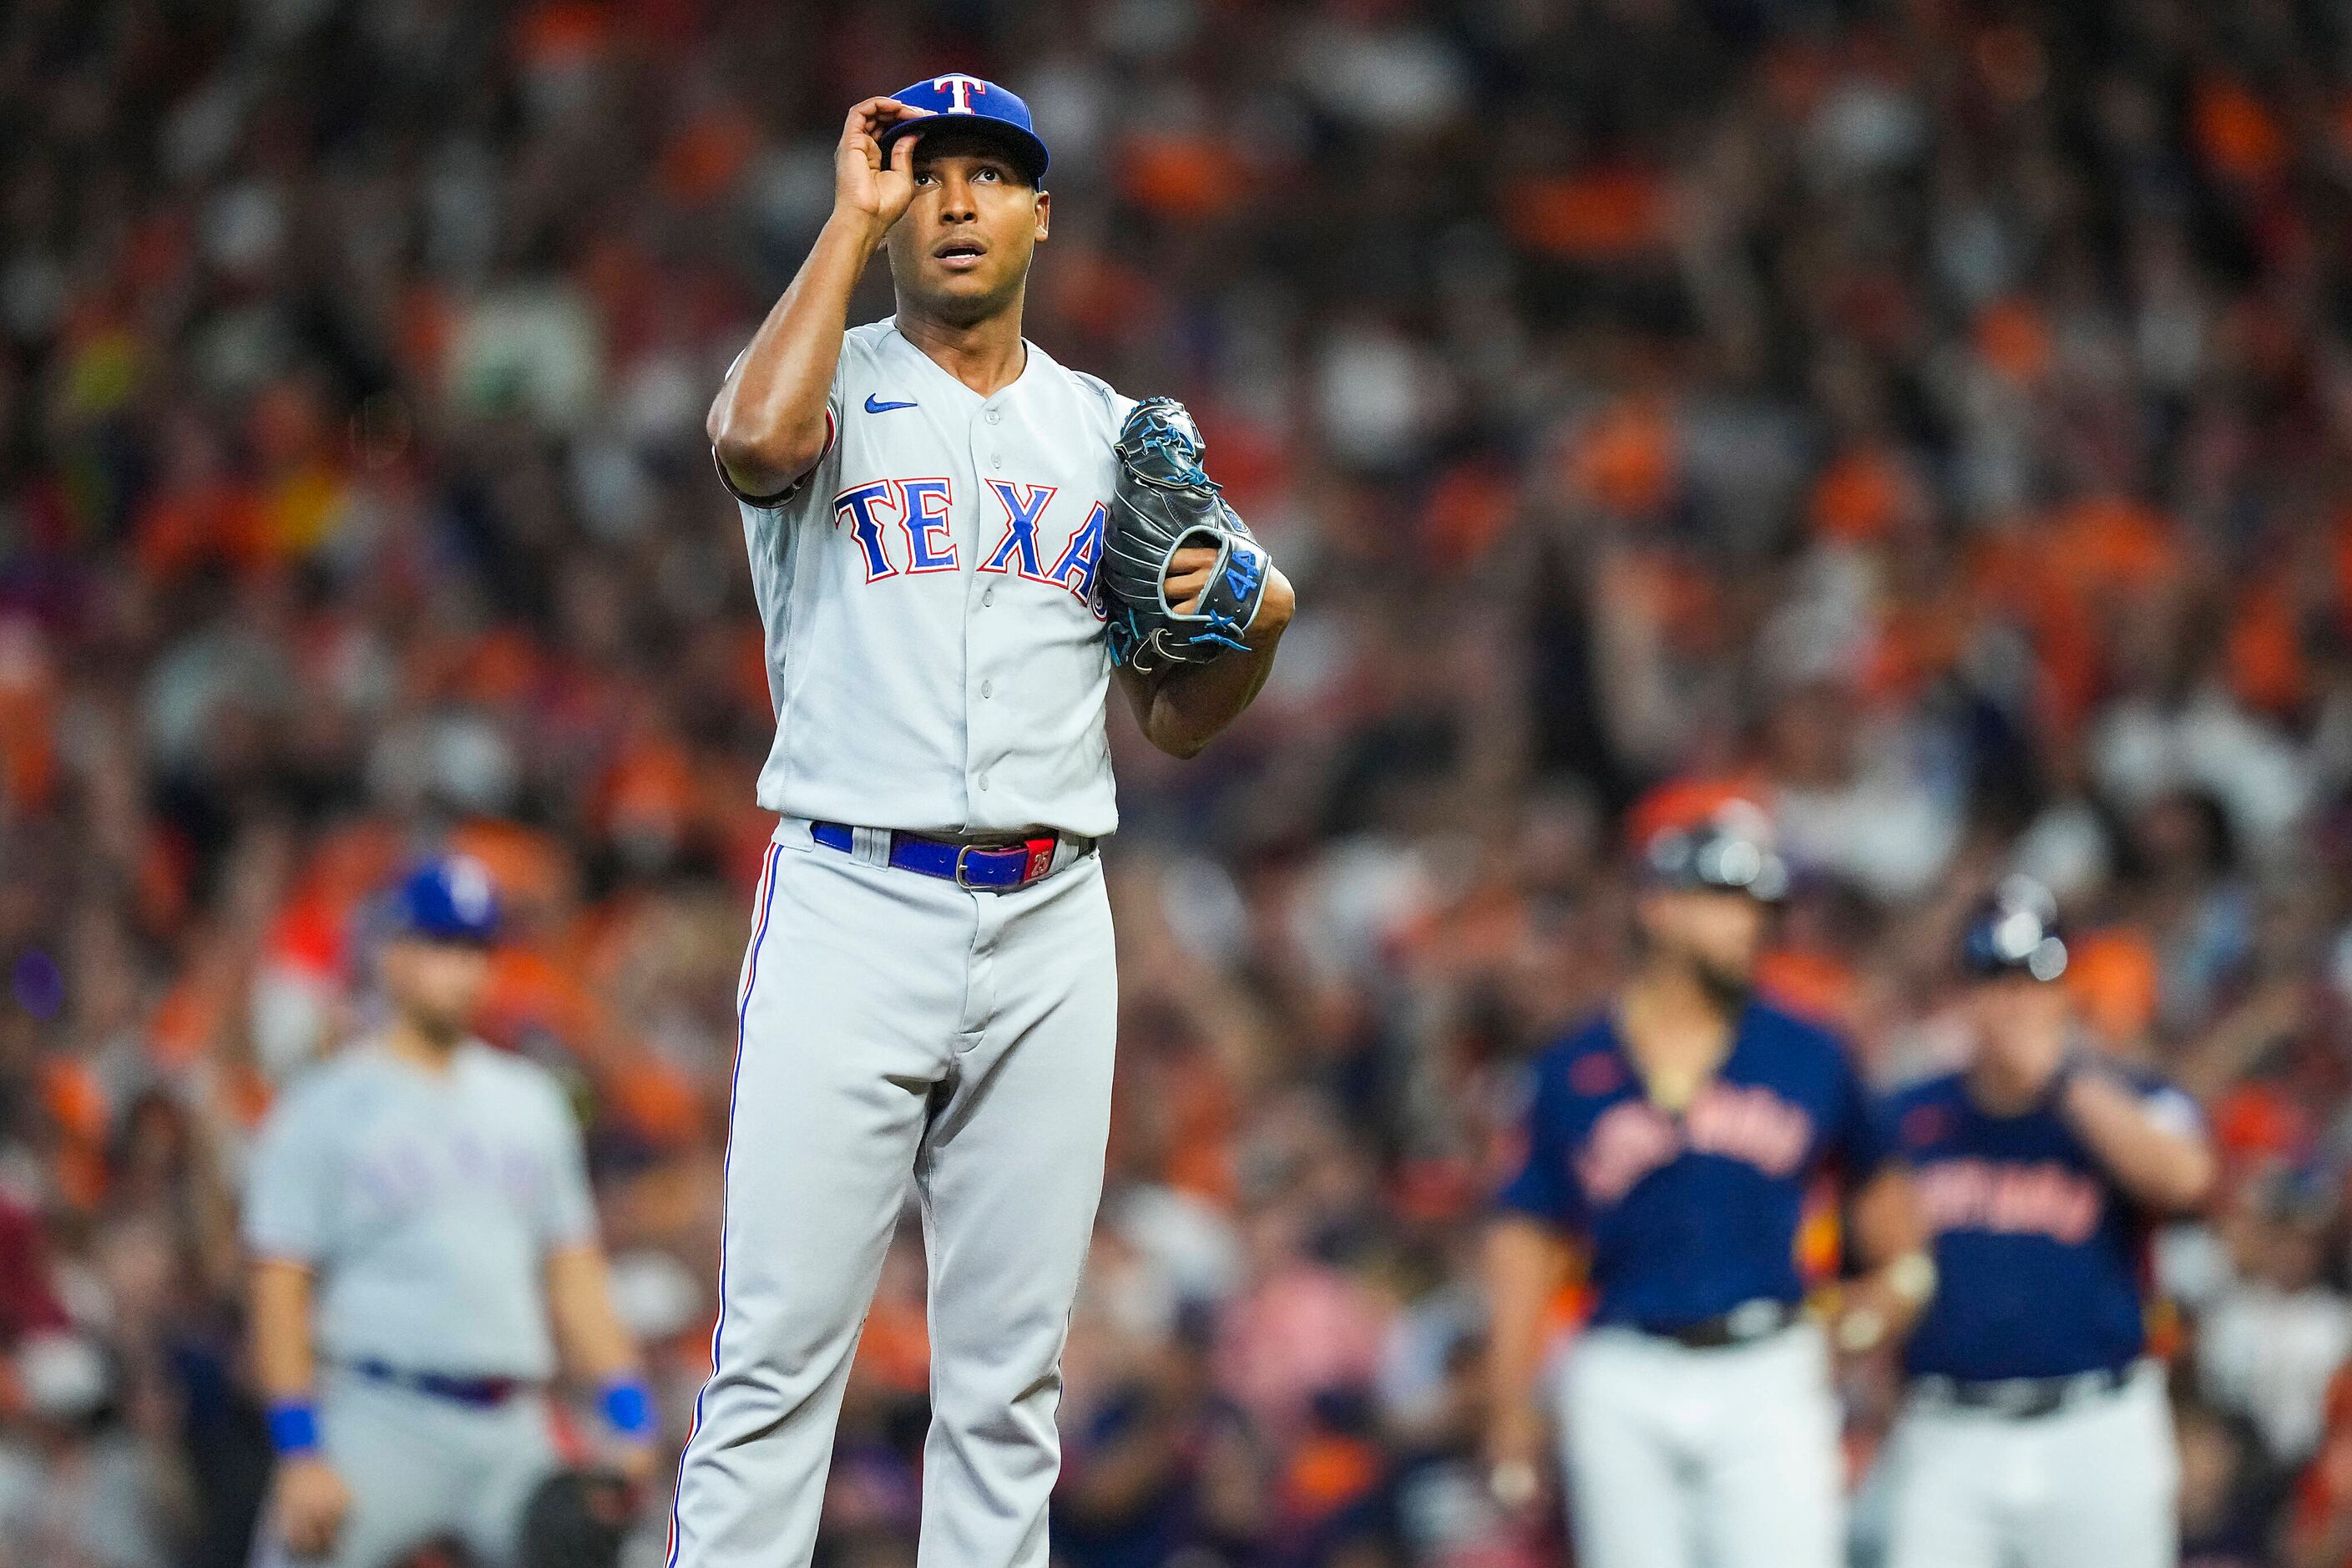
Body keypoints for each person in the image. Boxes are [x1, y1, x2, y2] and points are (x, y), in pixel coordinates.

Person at [671, 73, 1295, 1568]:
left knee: (1010, 1386)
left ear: (1038, 212)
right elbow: (751, 444)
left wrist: (1253, 635)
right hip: (849, 898)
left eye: (987, 175)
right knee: (775, 1362)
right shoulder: (823, 374)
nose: (953, 200)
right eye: (926, 174)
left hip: (1048, 917)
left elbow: (1170, 715)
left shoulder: (1106, 432)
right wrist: (843, 221)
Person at [1482, 803, 1930, 1568]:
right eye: (1722, 900)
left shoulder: (1806, 1049)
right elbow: (1525, 1237)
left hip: (1766, 1361)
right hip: (1620, 1367)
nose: (1746, 925)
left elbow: (1888, 1203)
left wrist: (1891, 1292)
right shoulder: (1574, 1066)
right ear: (1657, 908)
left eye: (1758, 907)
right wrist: (1508, 1404)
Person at [244, 856, 655, 1568]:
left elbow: (574, 1272)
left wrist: (629, 1416)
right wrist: (299, 1449)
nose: (460, 968)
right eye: (439, 944)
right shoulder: (323, 1105)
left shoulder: (532, 1100)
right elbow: (279, 1285)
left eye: (474, 949)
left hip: (512, 1427)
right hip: (379, 1415)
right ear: (392, 954)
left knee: (626, 1551)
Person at [1876, 876, 2217, 1568]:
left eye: (2034, 977)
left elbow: (2189, 1180)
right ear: (1962, 993)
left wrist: (2058, 1080)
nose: (2013, 999)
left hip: (2095, 1428)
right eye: (1993, 976)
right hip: (1947, 1430)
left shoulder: (2131, 1096)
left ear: (2066, 988)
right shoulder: (1907, 1114)